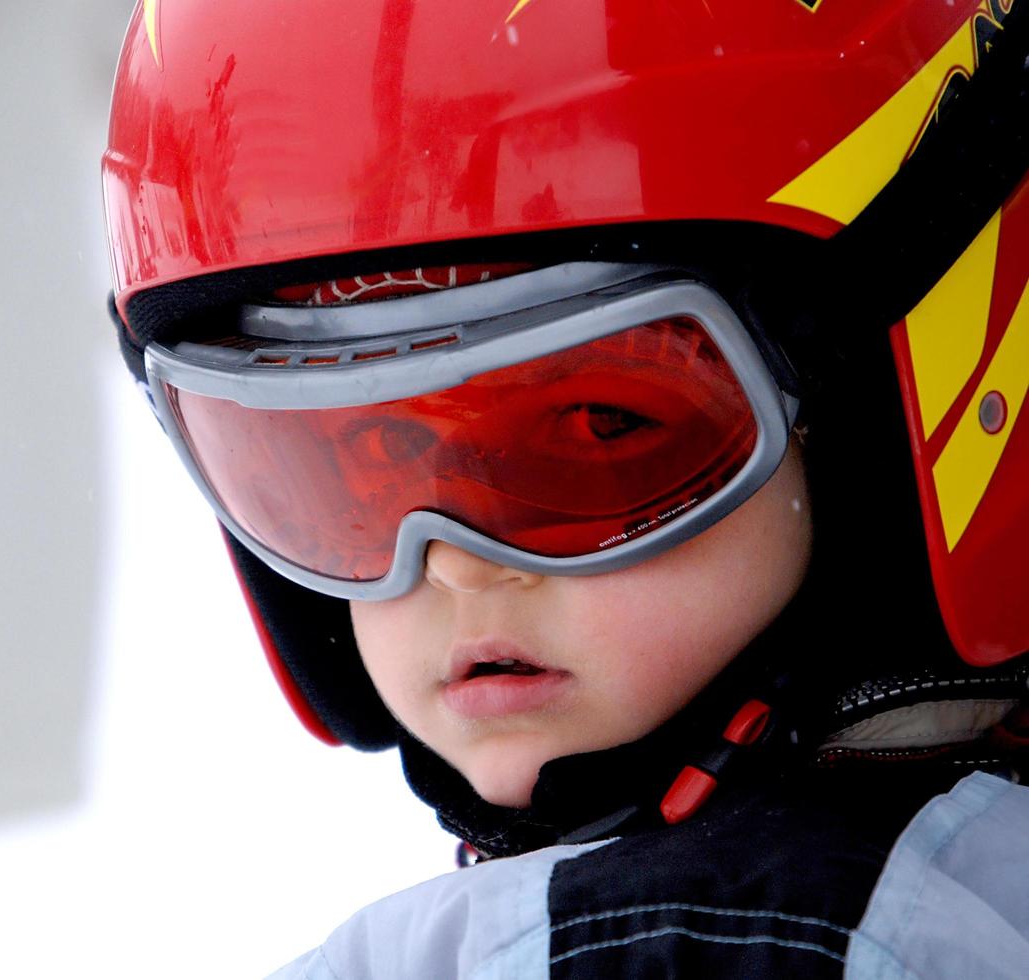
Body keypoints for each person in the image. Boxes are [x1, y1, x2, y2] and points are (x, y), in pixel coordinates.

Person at [101, 0, 1029, 975]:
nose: (454, 563)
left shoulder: (741, 944)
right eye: (363, 458)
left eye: (600, 429)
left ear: (865, 426)